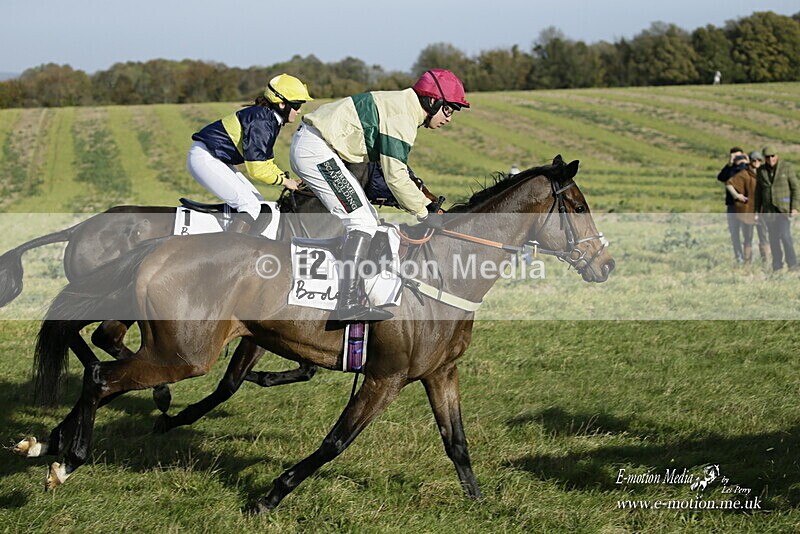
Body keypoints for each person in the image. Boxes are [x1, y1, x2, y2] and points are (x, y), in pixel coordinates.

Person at [290, 68, 469, 321]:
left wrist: (423, 205)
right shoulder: (402, 116)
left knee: (369, 220)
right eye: (449, 110)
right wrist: (423, 211)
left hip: (318, 147)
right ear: (433, 101)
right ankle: (347, 302)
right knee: (361, 221)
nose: (449, 118)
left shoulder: (403, 107)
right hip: (315, 149)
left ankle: (345, 290)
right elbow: (395, 176)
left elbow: (391, 172)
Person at [187, 73, 313, 234]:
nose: (299, 111)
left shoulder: (269, 119)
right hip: (205, 158)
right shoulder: (262, 121)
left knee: (259, 205)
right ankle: (227, 253)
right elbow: (257, 170)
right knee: (250, 207)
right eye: (297, 105)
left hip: (216, 159)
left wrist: (286, 179)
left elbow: (267, 163)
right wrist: (285, 182)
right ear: (282, 104)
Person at [755, 146, 798, 272]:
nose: (770, 159)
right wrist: (757, 211)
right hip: (769, 210)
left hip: (783, 209)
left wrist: (794, 207)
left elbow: (795, 188)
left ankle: (793, 264)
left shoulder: (787, 167)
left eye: (772, 156)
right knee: (773, 239)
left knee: (785, 236)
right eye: (767, 157)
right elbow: (758, 192)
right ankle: (777, 265)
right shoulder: (761, 170)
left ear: (777, 155)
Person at [726, 151, 762, 264]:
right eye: (754, 160)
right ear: (750, 161)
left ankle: (766, 263)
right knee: (748, 237)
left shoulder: (765, 174)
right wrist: (737, 195)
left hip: (762, 211)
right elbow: (728, 182)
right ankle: (747, 263)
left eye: (759, 160)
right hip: (747, 210)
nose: (756, 162)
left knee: (764, 237)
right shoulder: (743, 173)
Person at [717, 147, 748, 263]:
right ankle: (738, 257)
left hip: (745, 206)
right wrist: (729, 164)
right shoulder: (729, 170)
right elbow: (721, 178)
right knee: (734, 233)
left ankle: (748, 256)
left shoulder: (747, 168)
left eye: (739, 156)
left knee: (747, 233)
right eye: (735, 157)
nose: (737, 159)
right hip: (732, 205)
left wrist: (747, 162)